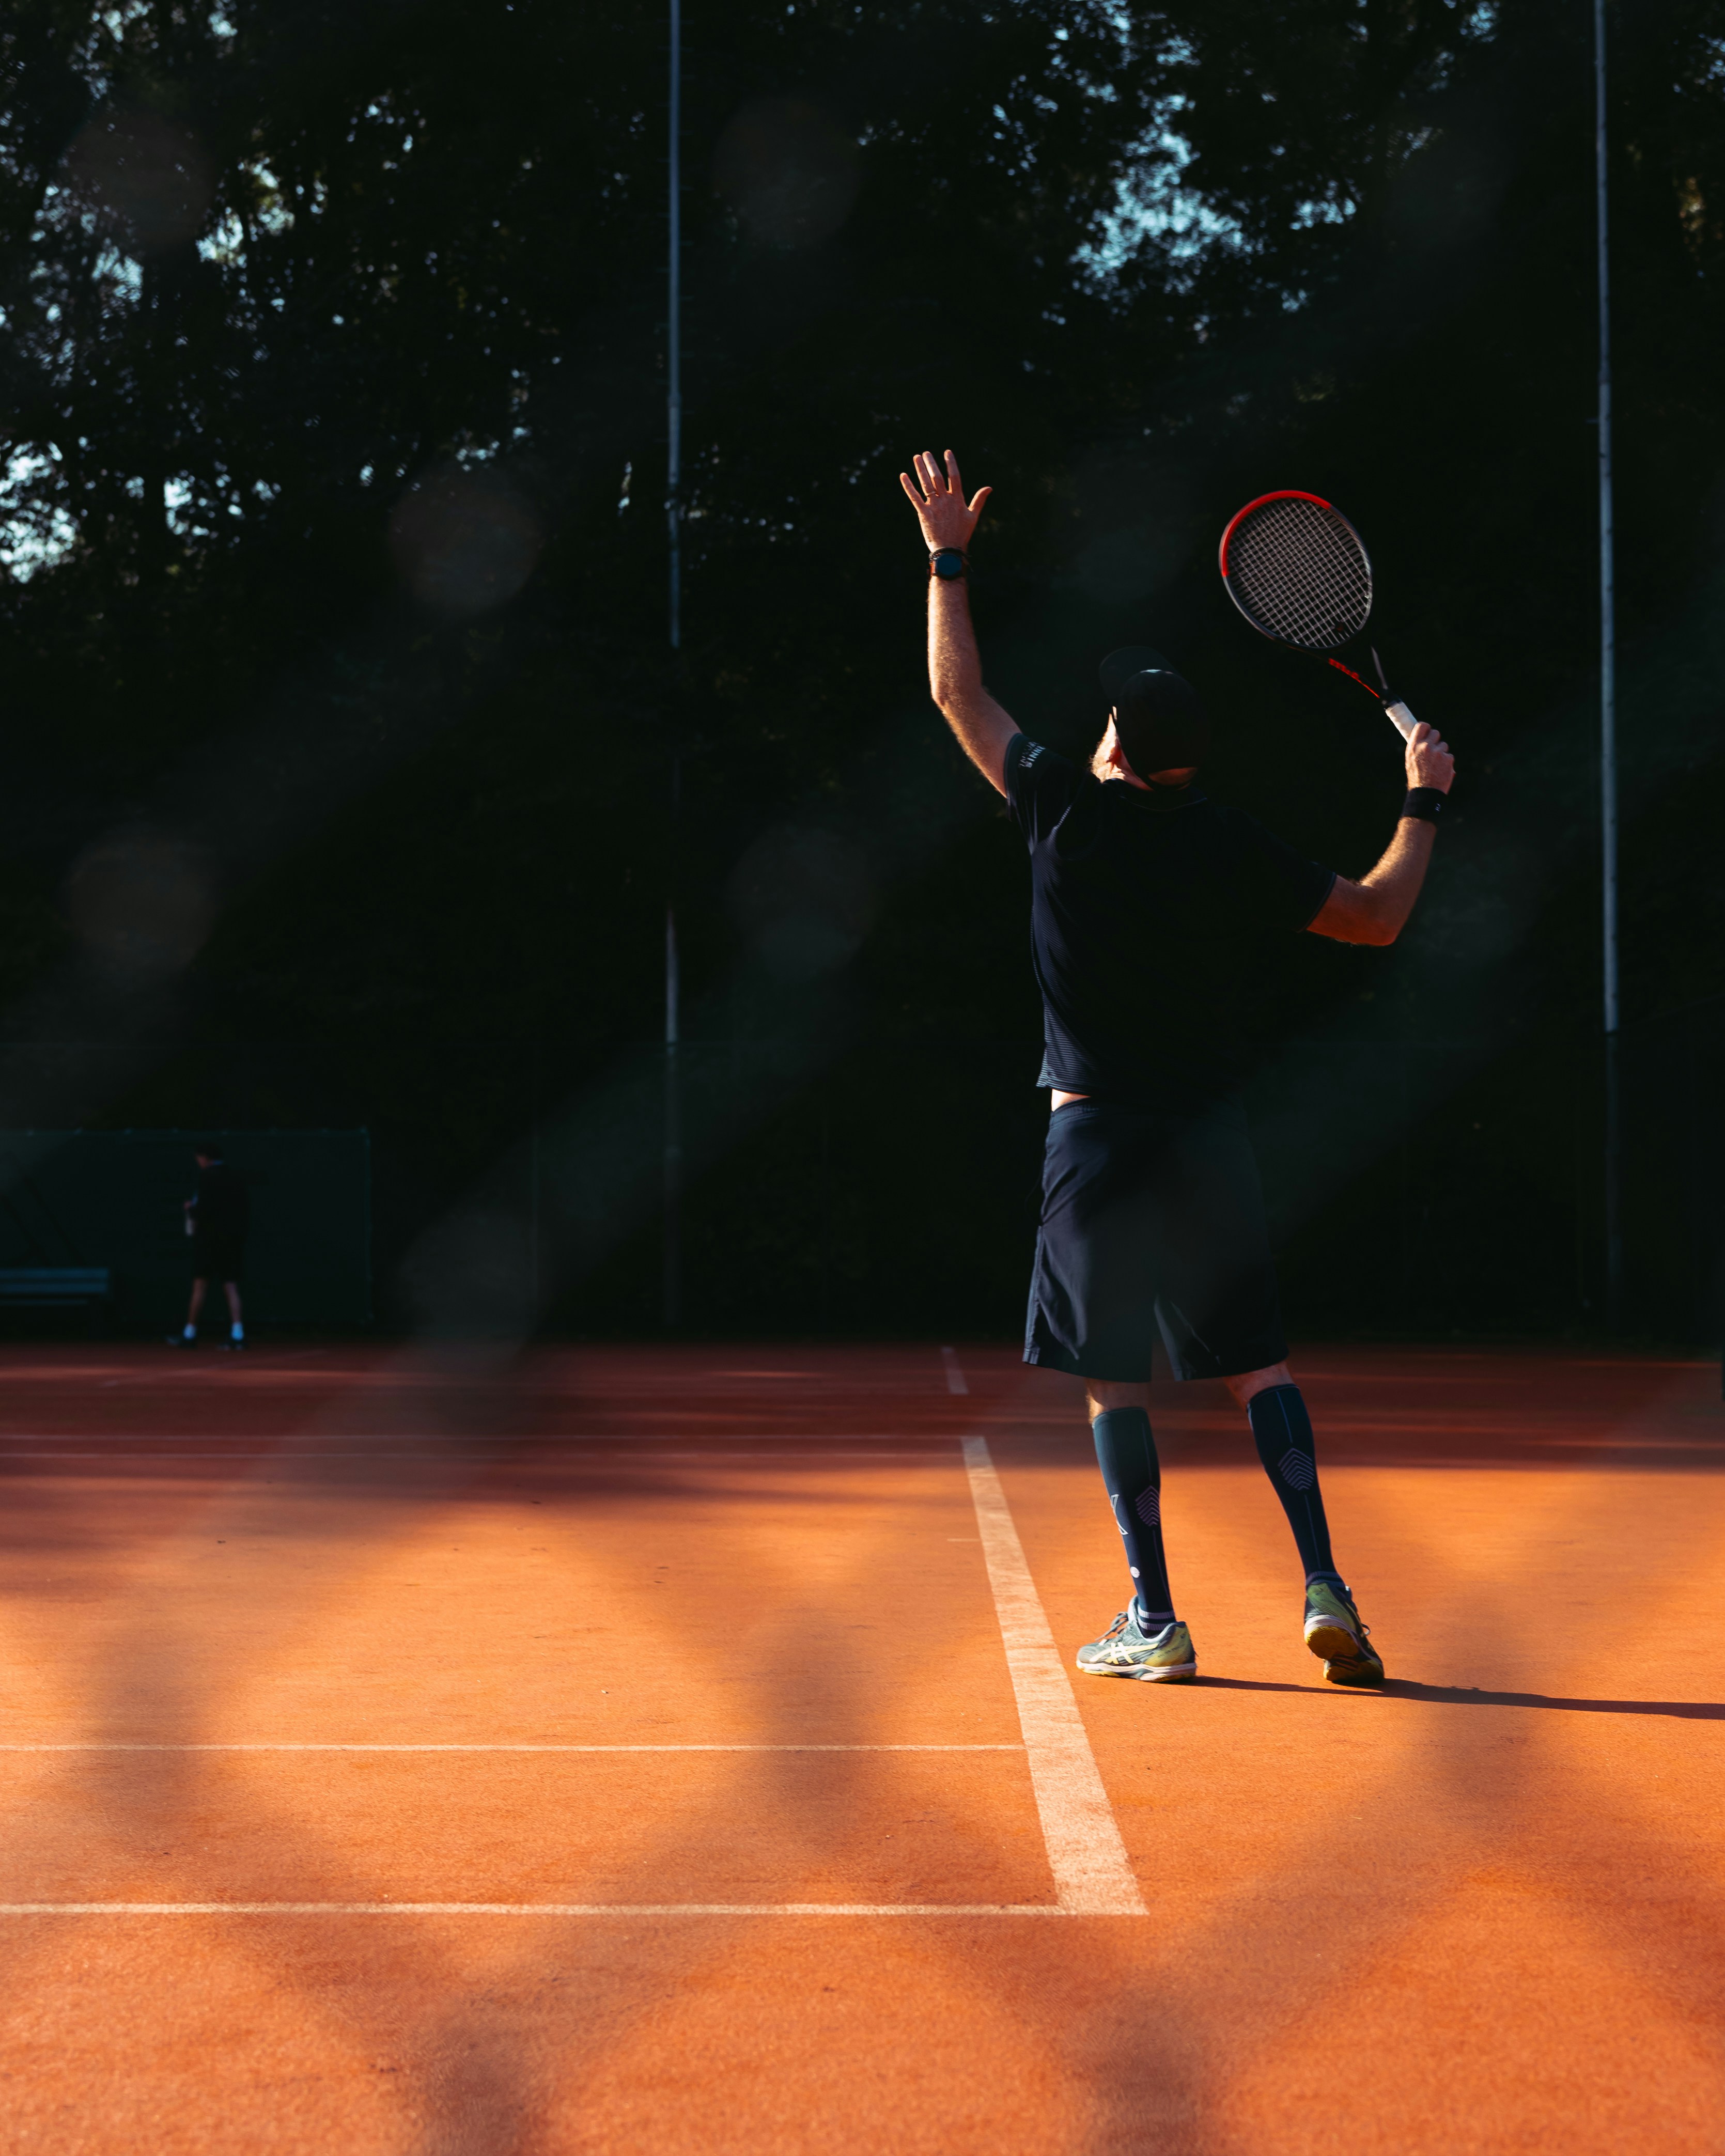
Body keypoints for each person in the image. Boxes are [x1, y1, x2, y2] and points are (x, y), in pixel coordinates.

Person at [900, 448, 1455, 1686]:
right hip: (1208, 1138)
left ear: (1117, 750)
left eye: (1107, 716)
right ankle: (1326, 1580)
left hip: (1095, 1138)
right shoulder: (1226, 844)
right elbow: (1375, 915)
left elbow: (958, 694)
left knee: (1114, 1381)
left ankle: (1155, 1615)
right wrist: (1422, 799)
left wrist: (947, 559)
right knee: (1263, 1364)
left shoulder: (1066, 814)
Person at [169, 1142, 250, 1351]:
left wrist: (191, 1210)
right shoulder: (234, 1177)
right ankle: (238, 1334)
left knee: (200, 1285)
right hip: (231, 1241)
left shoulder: (207, 1177)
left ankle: (190, 1334)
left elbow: (204, 1210)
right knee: (230, 1285)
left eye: (199, 1159)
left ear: (205, 1158)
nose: (199, 1163)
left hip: (208, 1241)